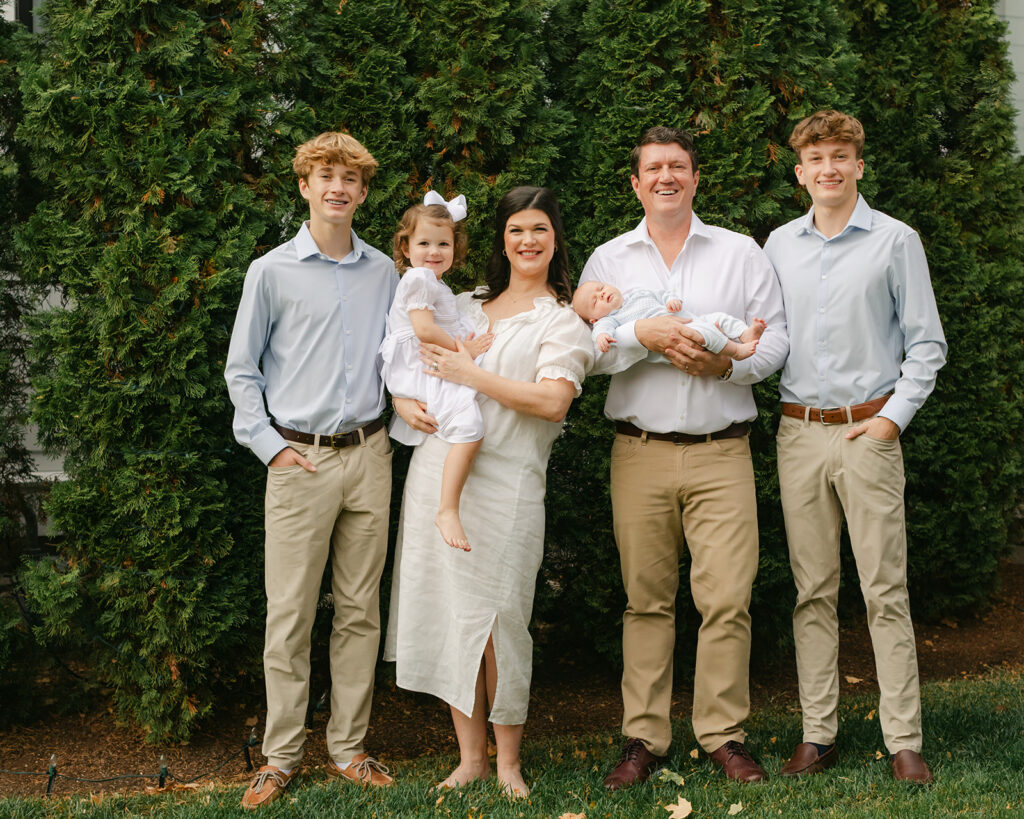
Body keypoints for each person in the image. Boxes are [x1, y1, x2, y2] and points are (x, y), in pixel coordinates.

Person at [580, 126, 788, 788]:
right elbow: (581, 352)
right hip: (637, 452)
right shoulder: (609, 259)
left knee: (727, 598)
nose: (666, 176)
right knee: (646, 601)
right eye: (654, 168)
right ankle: (644, 736)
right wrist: (638, 333)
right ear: (635, 183)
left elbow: (774, 341)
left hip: (721, 452)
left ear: (696, 179)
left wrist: (722, 368)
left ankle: (723, 734)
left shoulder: (740, 252)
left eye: (678, 166)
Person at [385, 186, 593, 799]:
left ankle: (508, 762)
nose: (527, 241)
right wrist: (401, 398)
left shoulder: (562, 322)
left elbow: (553, 403)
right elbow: (412, 351)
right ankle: (470, 757)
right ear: (501, 240)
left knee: (502, 622)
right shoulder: (467, 303)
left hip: (507, 485)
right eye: (515, 231)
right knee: (452, 617)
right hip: (437, 473)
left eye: (539, 230)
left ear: (555, 240)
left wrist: (474, 374)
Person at [764, 110, 946, 784]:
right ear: (800, 172)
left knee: (884, 589)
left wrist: (892, 420)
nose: (829, 169)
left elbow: (926, 343)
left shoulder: (896, 241)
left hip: (868, 432)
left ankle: (904, 738)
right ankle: (819, 733)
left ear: (859, 165)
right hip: (798, 432)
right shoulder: (778, 245)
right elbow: (766, 335)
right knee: (812, 590)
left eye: (840, 156)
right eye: (816, 159)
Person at [224, 132, 399, 810]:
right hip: (299, 459)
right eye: (325, 175)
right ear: (304, 186)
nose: (338, 188)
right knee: (291, 615)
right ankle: (280, 757)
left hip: (371, 455)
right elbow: (242, 370)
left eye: (350, 179)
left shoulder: (384, 270)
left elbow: (404, 355)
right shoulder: (271, 271)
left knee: (360, 610)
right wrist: (272, 448)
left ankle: (350, 748)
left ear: (361, 191)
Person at [380, 192, 493, 551]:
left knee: (470, 420)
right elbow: (425, 331)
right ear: (405, 246)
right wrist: (465, 351)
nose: (434, 251)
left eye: (443, 243)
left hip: (431, 361)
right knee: (470, 429)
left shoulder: (434, 283)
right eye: (424, 242)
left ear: (455, 249)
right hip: (423, 364)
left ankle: (449, 505)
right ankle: (447, 509)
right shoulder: (418, 280)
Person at [572, 280, 765, 358]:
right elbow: (601, 330)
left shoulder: (638, 292)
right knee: (706, 333)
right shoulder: (612, 319)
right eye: (595, 302)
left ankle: (743, 333)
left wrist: (672, 301)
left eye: (601, 288)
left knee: (719, 318)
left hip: (692, 319)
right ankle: (736, 351)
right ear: (594, 319)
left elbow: (662, 295)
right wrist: (602, 336)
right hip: (681, 335)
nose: (602, 295)